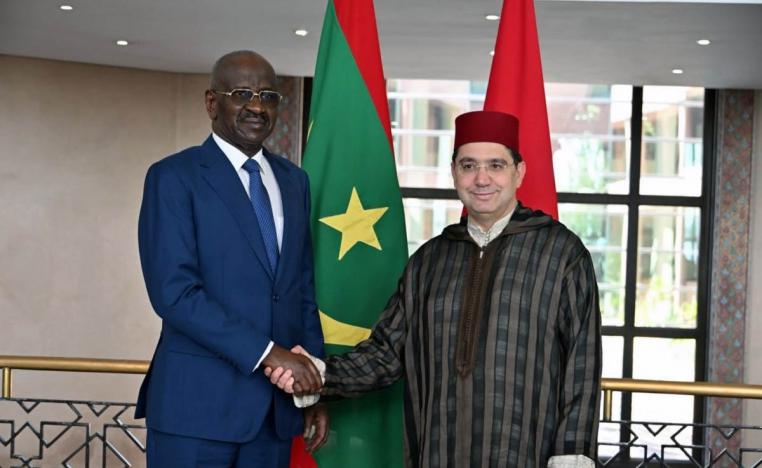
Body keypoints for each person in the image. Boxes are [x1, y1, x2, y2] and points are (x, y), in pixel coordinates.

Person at [269, 110, 602, 467]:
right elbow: (385, 354)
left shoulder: (561, 253)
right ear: (454, 172)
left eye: (496, 165)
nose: (482, 178)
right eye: (469, 165)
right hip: (439, 450)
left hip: (524, 452)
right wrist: (316, 373)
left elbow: (582, 361)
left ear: (518, 172)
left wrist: (572, 451)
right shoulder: (429, 260)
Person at [135, 50, 327, 468]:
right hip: (195, 412)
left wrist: (312, 387)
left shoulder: (294, 182)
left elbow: (302, 290)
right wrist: (269, 353)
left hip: (274, 414)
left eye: (269, 96)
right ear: (211, 102)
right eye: (242, 94)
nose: (257, 107)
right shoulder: (173, 177)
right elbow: (174, 293)